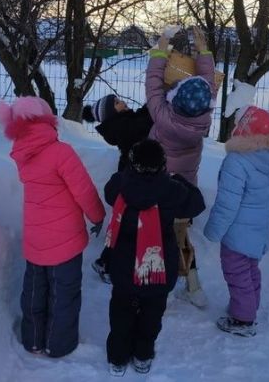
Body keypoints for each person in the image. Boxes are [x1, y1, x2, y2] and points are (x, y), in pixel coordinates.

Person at [0, 96, 105, 357]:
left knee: (35, 292)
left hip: (36, 241)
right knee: (63, 294)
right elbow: (84, 190)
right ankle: (59, 345)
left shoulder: (23, 154)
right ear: (46, 120)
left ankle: (32, 339)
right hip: (65, 242)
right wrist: (98, 216)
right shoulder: (60, 152)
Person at [103, 139, 205, 376]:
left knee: (121, 312)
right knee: (152, 313)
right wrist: (178, 179)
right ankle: (142, 355)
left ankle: (117, 358)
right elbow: (196, 204)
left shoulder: (120, 184)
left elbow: (109, 192)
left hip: (123, 266)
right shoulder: (171, 190)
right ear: (162, 165)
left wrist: (125, 173)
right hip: (158, 266)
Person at [145, 26, 216, 308]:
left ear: (173, 99)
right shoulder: (204, 122)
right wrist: (203, 51)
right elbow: (208, 80)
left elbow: (153, 83)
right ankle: (194, 286)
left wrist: (162, 49)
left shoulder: (162, 117)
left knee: (158, 239)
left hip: (158, 191)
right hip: (184, 193)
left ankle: (158, 283)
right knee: (180, 235)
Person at [203, 106, 269, 337]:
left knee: (236, 273)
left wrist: (213, 231)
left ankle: (243, 319)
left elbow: (228, 203)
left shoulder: (236, 162)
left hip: (238, 232)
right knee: (249, 269)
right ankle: (249, 304)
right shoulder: (267, 158)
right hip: (258, 230)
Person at [82, 94, 154, 283]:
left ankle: (106, 260)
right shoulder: (120, 127)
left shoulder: (123, 120)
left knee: (126, 225)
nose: (122, 102)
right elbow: (143, 124)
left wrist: (151, 104)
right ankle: (107, 263)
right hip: (132, 178)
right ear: (111, 112)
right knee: (127, 225)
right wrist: (156, 108)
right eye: (116, 103)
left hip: (134, 175)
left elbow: (140, 117)